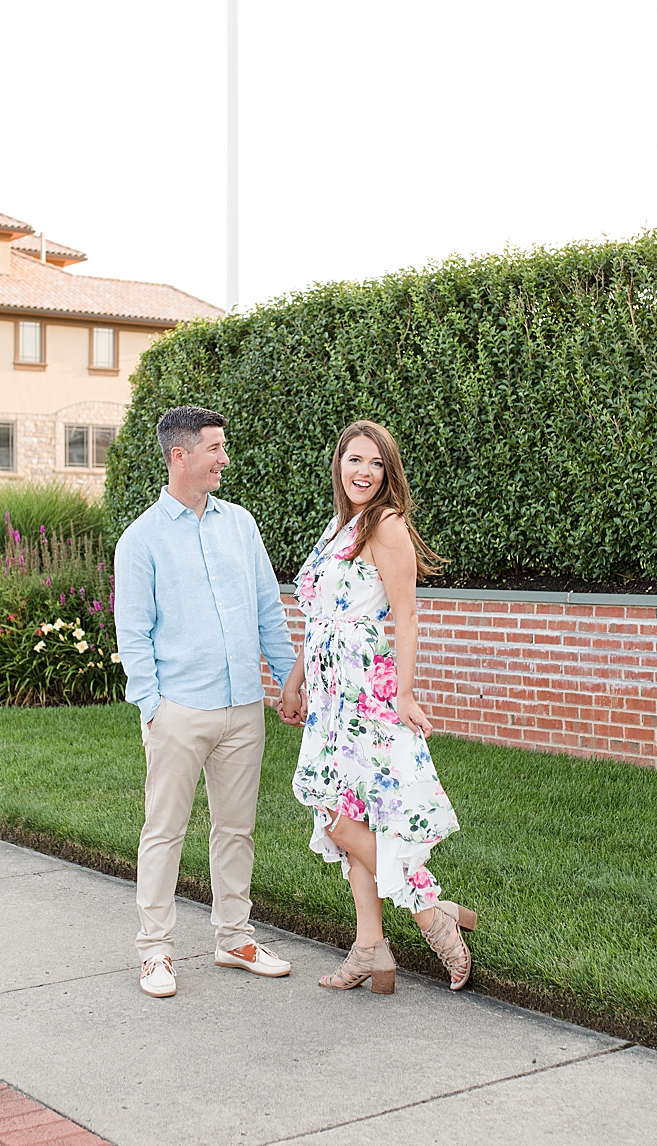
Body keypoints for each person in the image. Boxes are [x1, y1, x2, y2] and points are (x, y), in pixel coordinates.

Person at [278, 420, 475, 994]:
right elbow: (319, 621)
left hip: (366, 691)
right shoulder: (339, 526)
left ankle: (429, 912)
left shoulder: (386, 525)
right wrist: (295, 681)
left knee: (345, 822)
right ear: (339, 464)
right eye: (353, 460)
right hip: (329, 695)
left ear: (388, 473)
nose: (362, 472)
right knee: (345, 816)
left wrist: (406, 694)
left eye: (374, 463)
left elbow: (406, 618)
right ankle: (371, 947)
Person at [115, 405, 300, 999]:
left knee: (236, 829)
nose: (224, 458)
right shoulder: (141, 539)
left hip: (243, 706)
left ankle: (234, 937)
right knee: (164, 831)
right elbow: (133, 632)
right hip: (179, 710)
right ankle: (155, 952)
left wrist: (290, 679)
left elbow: (268, 610)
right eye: (215, 448)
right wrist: (152, 704)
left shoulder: (240, 525)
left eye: (223, 447)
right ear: (180, 455)